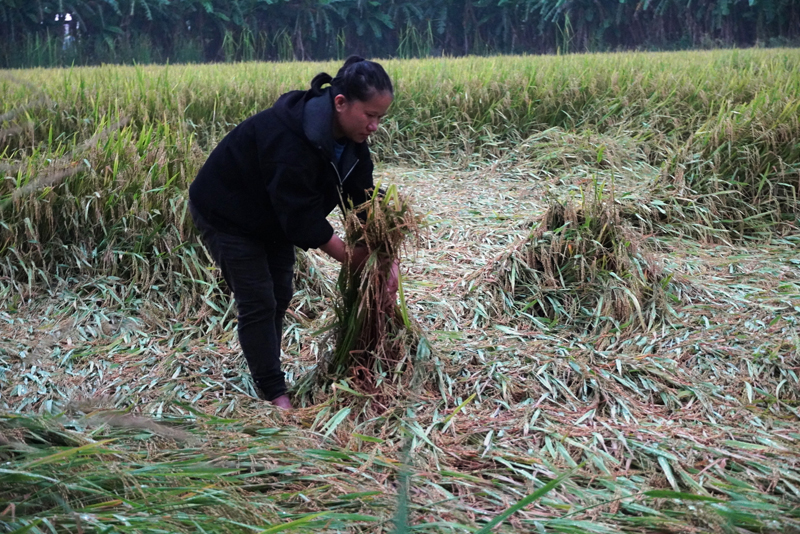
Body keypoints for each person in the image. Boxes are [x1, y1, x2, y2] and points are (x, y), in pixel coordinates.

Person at [188, 56, 398, 410]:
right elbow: (300, 217)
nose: (375, 126)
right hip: (228, 213)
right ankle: (274, 392)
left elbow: (361, 198)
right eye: (370, 116)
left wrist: (384, 256)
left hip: (272, 217)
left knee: (280, 293)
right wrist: (350, 258)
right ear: (341, 102)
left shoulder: (352, 142)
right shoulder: (288, 137)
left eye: (380, 118)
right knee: (259, 299)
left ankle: (268, 367)